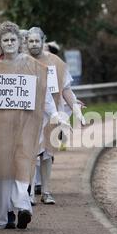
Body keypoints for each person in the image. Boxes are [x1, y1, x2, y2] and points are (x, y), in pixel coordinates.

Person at [0, 21, 66, 229]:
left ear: (19, 42)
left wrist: (55, 113)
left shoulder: (33, 66)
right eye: (6, 40)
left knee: (22, 165)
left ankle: (22, 207)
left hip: (25, 126)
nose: (10, 43)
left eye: (13, 39)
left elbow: (44, 93)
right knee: (2, 170)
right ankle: (7, 213)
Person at [26, 26, 86, 205]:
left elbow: (66, 89)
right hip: (27, 115)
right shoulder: (20, 61)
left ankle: (46, 191)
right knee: (29, 153)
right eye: (31, 41)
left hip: (51, 115)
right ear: (26, 42)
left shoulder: (56, 63)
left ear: (43, 42)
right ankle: (28, 193)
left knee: (46, 153)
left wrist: (76, 111)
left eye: (37, 41)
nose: (34, 44)